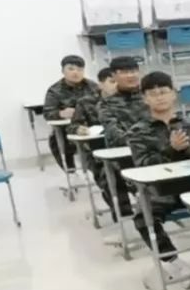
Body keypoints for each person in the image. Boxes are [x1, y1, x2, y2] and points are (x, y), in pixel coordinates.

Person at [126, 71, 190, 282]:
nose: (159, 97)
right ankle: (172, 261)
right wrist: (171, 150)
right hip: (161, 190)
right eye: (153, 94)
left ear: (173, 94)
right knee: (143, 217)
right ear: (144, 99)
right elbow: (143, 165)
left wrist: (188, 150)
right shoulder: (138, 131)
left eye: (163, 92)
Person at [70, 68, 131, 217]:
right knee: (109, 172)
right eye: (112, 82)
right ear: (101, 84)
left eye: (119, 82)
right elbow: (72, 126)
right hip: (97, 150)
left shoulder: (130, 100)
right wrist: (79, 129)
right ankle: (122, 209)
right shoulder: (86, 102)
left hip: (126, 147)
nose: (116, 85)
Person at [43, 54, 99, 171]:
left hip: (91, 126)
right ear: (63, 71)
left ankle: (97, 168)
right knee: (56, 141)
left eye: (80, 69)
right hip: (67, 129)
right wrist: (61, 113)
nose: (75, 72)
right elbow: (47, 113)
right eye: (71, 69)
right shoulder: (55, 90)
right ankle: (70, 171)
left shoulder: (92, 86)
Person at [99, 56, 150, 147]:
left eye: (133, 71)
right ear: (113, 75)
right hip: (124, 150)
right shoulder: (106, 104)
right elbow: (115, 136)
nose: (130, 75)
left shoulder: (150, 96)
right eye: (124, 72)